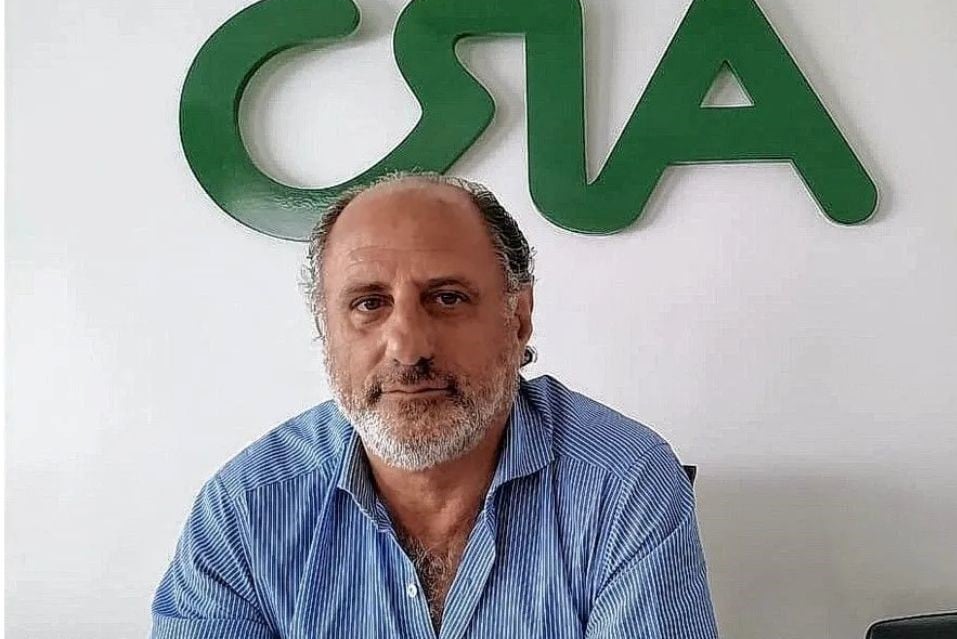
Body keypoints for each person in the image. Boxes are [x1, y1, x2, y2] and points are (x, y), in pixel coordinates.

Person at [150, 173, 718, 638]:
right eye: (369, 304)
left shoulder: (623, 483)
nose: (408, 347)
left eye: (447, 298)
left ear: (518, 318)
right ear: (326, 331)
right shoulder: (247, 509)